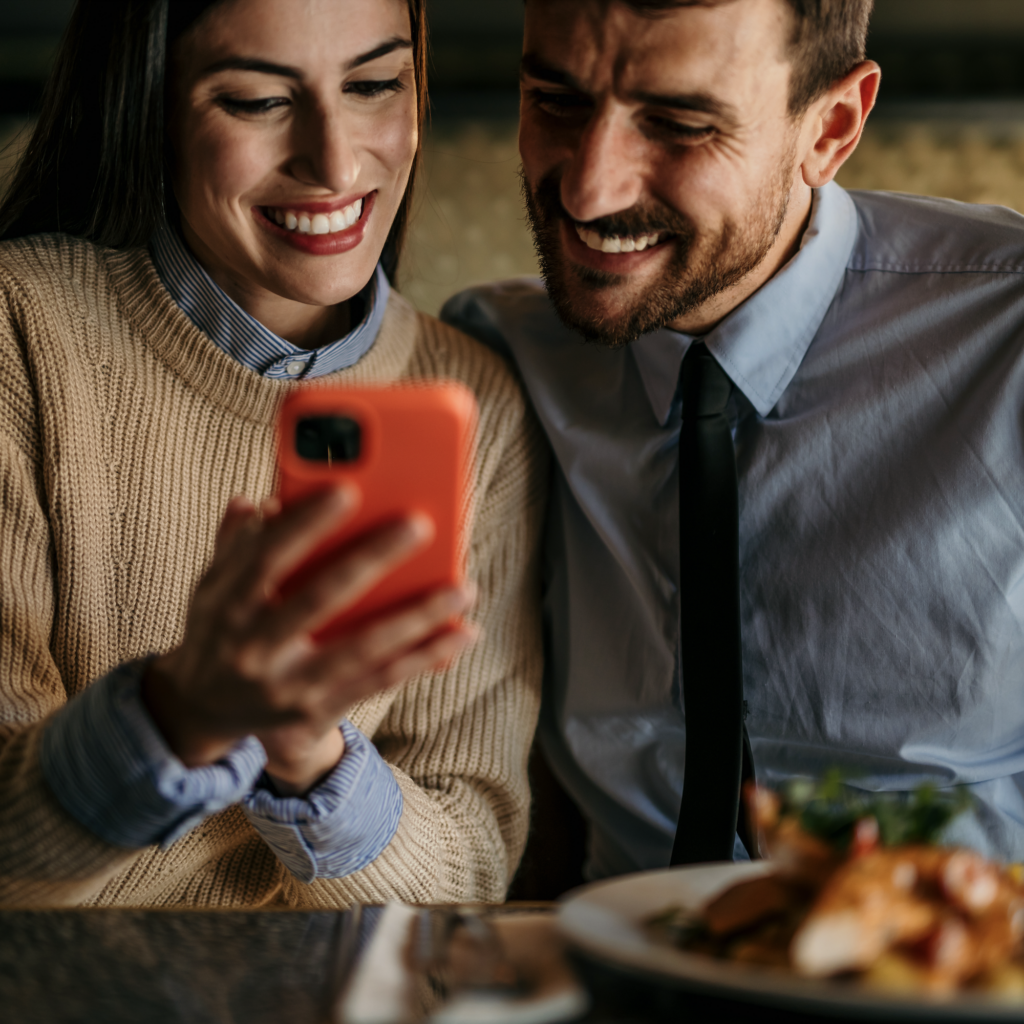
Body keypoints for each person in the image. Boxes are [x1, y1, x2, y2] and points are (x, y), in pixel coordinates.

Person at [444, 0, 1024, 882]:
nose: (589, 188)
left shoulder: (1008, 331)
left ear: (829, 129)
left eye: (679, 125)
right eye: (554, 101)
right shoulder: (497, 357)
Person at [0, 0, 545, 908]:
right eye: (256, 101)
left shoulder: (474, 400)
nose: (334, 162)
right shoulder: (20, 335)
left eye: (375, 84)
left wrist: (311, 760)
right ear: (151, 104)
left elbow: (475, 861)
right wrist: (179, 715)